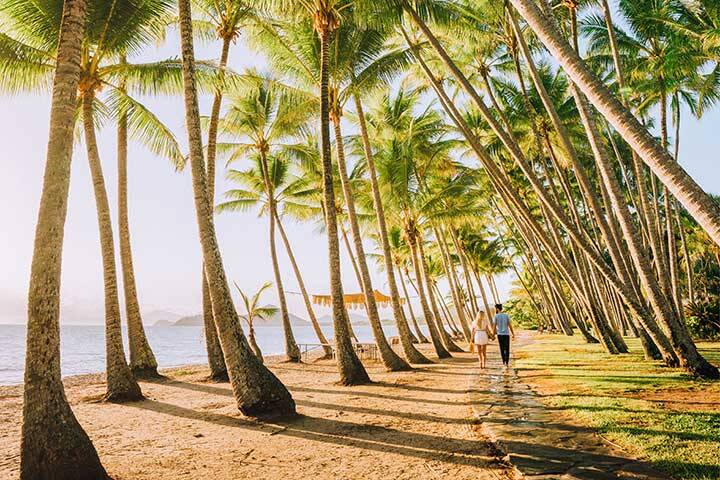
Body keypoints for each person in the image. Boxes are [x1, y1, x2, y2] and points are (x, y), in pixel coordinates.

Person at [493, 303, 515, 369]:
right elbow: (510, 325)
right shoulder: (506, 315)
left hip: (500, 334)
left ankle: (504, 362)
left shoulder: (496, 316)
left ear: (497, 309)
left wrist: (493, 334)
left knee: (502, 348)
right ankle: (507, 363)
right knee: (507, 348)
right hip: (506, 334)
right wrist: (513, 333)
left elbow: (494, 326)